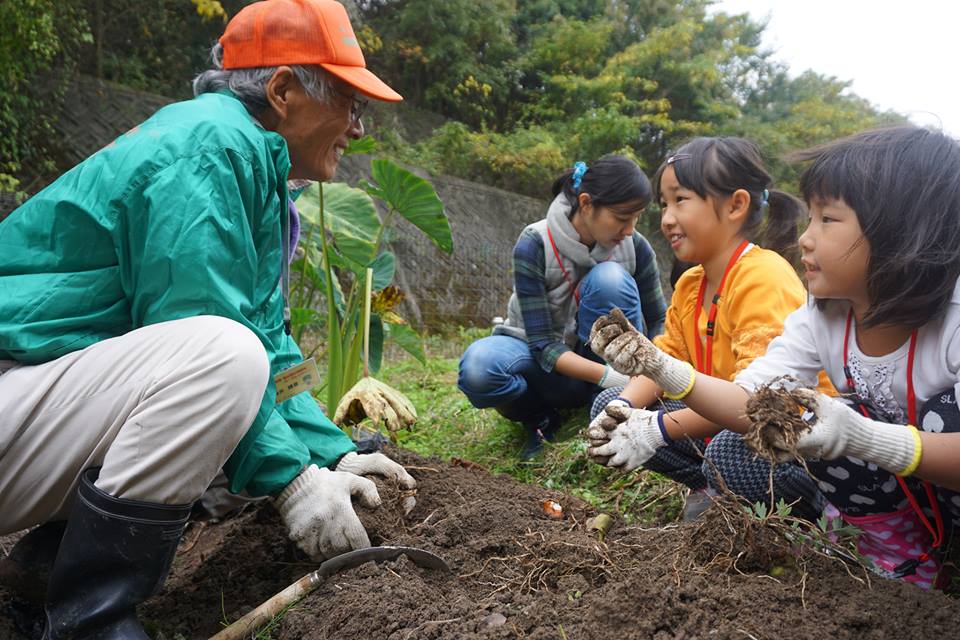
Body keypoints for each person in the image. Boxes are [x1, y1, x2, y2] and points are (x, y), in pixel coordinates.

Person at [0, 1, 417, 636]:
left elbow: (269, 345)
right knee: (222, 363)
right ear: (282, 91)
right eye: (350, 104)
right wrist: (294, 483)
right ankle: (89, 622)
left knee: (234, 379)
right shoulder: (207, 150)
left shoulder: (245, 158)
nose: (358, 129)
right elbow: (210, 339)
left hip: (26, 405)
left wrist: (330, 453)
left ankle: (43, 576)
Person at [589, 125, 960, 589]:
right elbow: (754, 397)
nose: (805, 238)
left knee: (933, 414)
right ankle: (895, 551)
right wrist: (659, 368)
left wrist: (864, 437)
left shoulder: (952, 320)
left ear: (900, 232)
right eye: (811, 218)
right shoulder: (822, 314)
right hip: (897, 491)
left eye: (828, 219)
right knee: (815, 422)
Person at [588, 137, 833, 521]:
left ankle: (810, 509)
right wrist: (624, 408)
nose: (667, 218)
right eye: (664, 203)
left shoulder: (763, 277)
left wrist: (657, 429)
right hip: (725, 424)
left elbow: (765, 407)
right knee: (610, 404)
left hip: (796, 441)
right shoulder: (691, 284)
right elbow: (664, 361)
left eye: (680, 200)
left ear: (735, 205)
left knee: (728, 452)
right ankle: (712, 488)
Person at [458, 156, 667, 459]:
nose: (629, 229)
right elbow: (542, 344)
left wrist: (656, 372)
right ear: (586, 203)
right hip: (544, 367)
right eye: (622, 218)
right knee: (480, 369)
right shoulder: (535, 242)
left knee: (609, 278)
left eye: (636, 218)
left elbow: (658, 318)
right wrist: (610, 377)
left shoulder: (635, 246)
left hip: (608, 367)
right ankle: (540, 420)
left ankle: (611, 405)